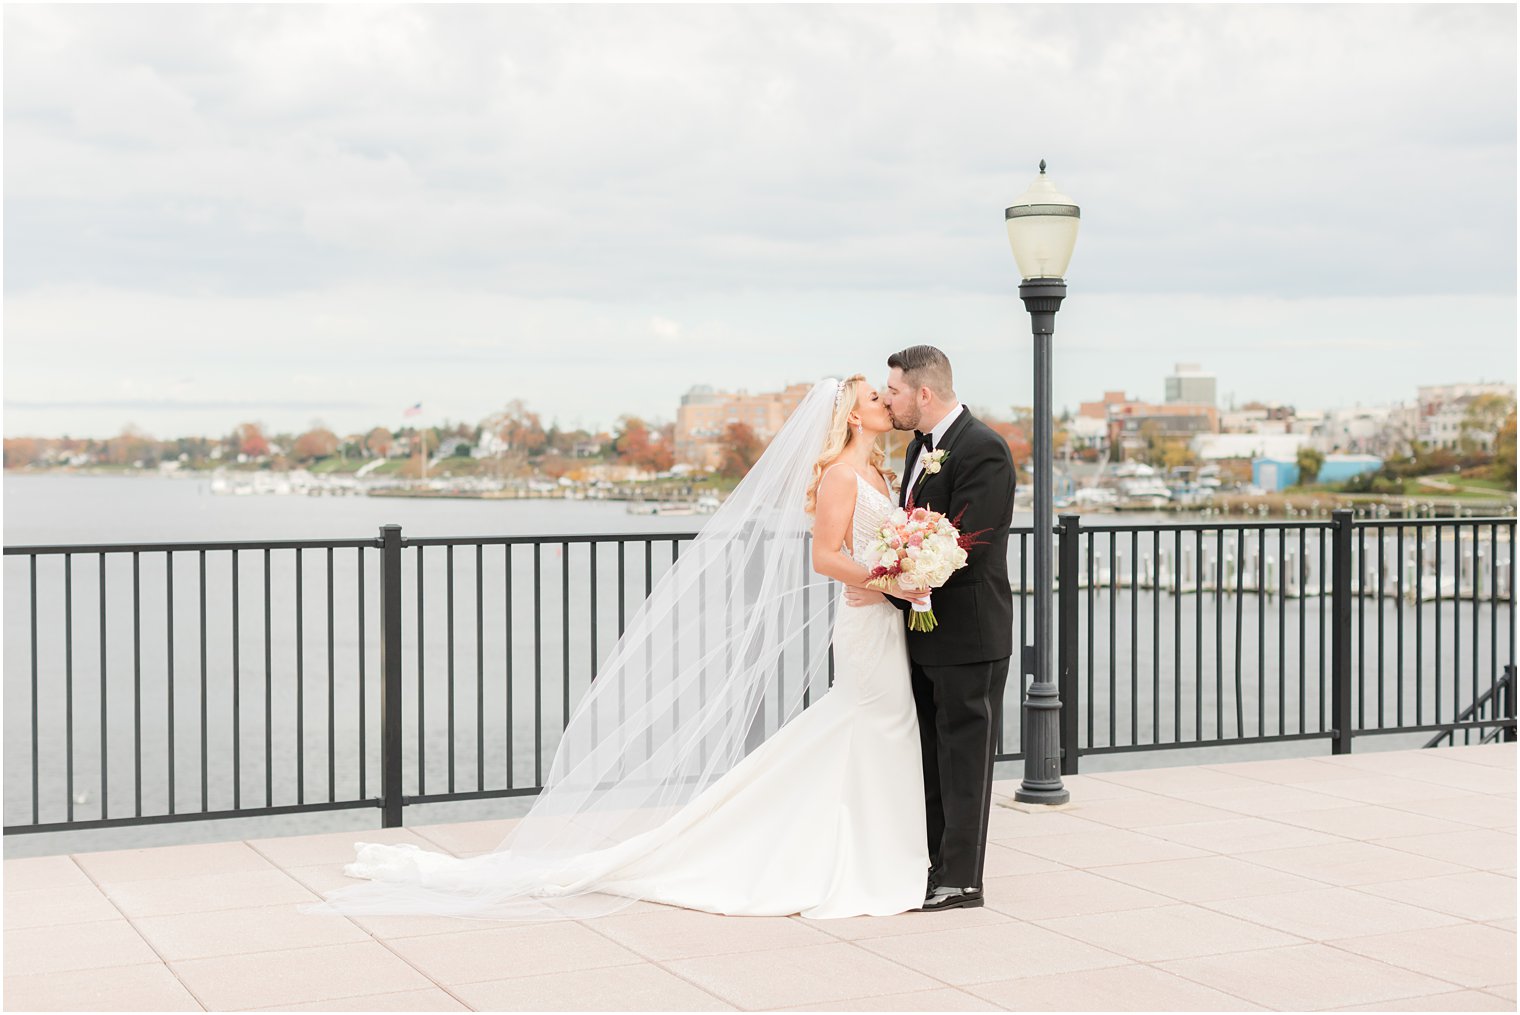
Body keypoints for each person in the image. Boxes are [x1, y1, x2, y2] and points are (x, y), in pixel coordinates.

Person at [306, 374, 939, 922]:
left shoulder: (881, 470)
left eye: (886, 397)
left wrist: (905, 574)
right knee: (869, 724)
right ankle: (856, 857)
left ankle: (868, 849)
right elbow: (824, 557)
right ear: (851, 414)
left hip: (881, 621)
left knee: (868, 729)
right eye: (874, 397)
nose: (887, 403)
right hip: (866, 623)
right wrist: (889, 580)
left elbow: (871, 547)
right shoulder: (837, 477)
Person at [849, 344, 1017, 912]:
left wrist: (895, 583)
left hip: (969, 635)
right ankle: (934, 866)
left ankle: (963, 879)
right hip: (922, 630)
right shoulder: (922, 449)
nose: (888, 398)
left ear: (923, 392)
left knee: (965, 760)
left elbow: (972, 546)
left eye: (892, 390)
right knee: (932, 758)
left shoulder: (983, 449)